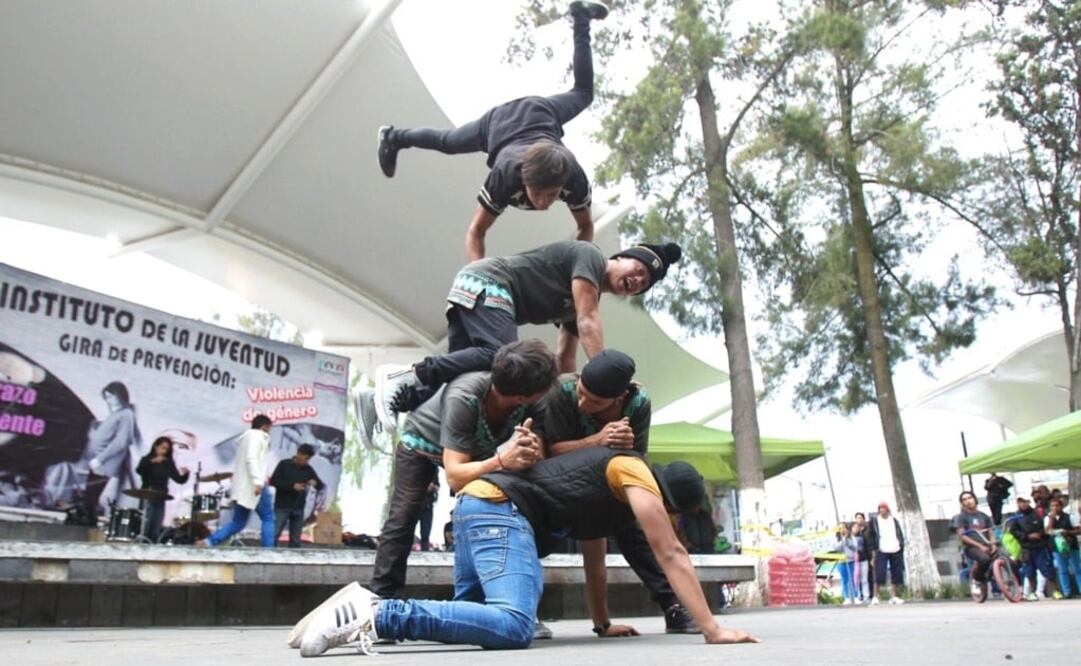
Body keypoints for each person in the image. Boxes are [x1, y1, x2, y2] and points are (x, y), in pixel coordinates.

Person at [297, 447, 758, 656]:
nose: (666, 518)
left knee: (471, 623)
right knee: (515, 624)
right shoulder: (631, 471)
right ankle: (378, 614)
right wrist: (712, 629)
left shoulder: (609, 498)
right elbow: (670, 552)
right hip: (500, 511)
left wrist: (602, 624)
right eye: (670, 511)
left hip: (477, 508)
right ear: (668, 499)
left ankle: (349, 609)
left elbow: (593, 558)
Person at [376, 1, 611, 262]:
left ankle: (581, 14)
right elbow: (476, 231)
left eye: (552, 195)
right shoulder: (505, 177)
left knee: (583, 93)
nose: (544, 203)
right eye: (538, 194)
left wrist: (572, 271)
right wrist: (477, 282)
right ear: (524, 180)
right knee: (447, 141)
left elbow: (586, 227)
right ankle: (393, 137)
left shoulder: (574, 177)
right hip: (497, 126)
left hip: (540, 113)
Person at [372, 238, 682, 433]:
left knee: (468, 376)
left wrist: (563, 398)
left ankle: (396, 398)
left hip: (475, 289)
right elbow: (588, 322)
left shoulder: (581, 297)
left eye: (645, 283)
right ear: (620, 257)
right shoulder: (591, 257)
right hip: (490, 281)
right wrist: (607, 378)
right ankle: (405, 373)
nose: (639, 280)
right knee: (504, 358)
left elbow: (564, 357)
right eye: (639, 269)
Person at [360, 340, 556, 600]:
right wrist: (501, 462)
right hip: (422, 443)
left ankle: (491, 599)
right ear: (522, 396)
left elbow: (540, 449)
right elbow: (455, 477)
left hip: (478, 449)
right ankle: (382, 599)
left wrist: (531, 449)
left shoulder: (531, 401)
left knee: (488, 510)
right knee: (404, 516)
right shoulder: (465, 396)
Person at [537, 348, 696, 632]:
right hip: (555, 481)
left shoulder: (638, 404)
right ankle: (525, 612)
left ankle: (672, 606)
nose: (583, 402)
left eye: (594, 400)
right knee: (535, 534)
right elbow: (550, 454)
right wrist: (598, 440)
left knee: (631, 522)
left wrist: (603, 624)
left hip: (608, 476)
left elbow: (635, 460)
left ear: (618, 398)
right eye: (582, 393)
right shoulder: (563, 391)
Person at [203, 415, 275, 548]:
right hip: (255, 485)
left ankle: (210, 542)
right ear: (264, 426)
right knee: (268, 518)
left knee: (239, 522)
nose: (270, 431)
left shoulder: (246, 438)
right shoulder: (258, 437)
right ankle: (268, 551)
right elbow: (251, 459)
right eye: (269, 427)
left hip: (242, 487)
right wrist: (257, 481)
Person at [83, 381, 144, 516]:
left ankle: (86, 525)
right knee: (89, 499)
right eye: (106, 397)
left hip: (103, 465)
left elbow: (122, 441)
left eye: (111, 397)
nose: (108, 401)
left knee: (89, 501)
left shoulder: (126, 414)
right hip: (98, 463)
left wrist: (100, 459)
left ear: (120, 395)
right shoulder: (117, 414)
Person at [269, 443, 326, 548]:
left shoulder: (309, 470)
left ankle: (292, 561)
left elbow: (321, 486)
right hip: (282, 506)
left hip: (298, 508)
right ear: (299, 454)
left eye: (309, 459)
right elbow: (273, 481)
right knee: (274, 534)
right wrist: (292, 486)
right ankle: (268, 557)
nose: (306, 461)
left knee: (296, 539)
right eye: (306, 458)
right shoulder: (284, 464)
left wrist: (316, 483)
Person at [135, 436, 190, 543]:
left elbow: (178, 479)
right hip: (148, 492)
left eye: (166, 449)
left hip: (161, 495)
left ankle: (153, 543)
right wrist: (152, 461)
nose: (164, 451)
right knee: (146, 521)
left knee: (156, 522)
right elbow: (139, 470)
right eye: (162, 447)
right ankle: (142, 542)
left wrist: (185, 474)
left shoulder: (168, 462)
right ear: (156, 446)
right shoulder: (147, 459)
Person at [1009, 496, 1059, 600]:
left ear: (1028, 502)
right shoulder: (1016, 517)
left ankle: (1055, 591)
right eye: (1020, 502)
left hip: (1040, 546)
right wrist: (1026, 536)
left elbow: (1046, 528)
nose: (1023, 504)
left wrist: (1039, 534)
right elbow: (1013, 531)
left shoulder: (1038, 513)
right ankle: (1032, 593)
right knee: (1029, 572)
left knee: (1048, 570)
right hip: (1026, 548)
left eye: (1024, 501)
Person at [951, 490, 998, 599]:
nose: (968, 501)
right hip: (972, 547)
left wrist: (993, 544)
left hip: (987, 544)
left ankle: (1014, 587)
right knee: (984, 559)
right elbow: (962, 536)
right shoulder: (961, 518)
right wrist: (979, 546)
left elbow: (991, 532)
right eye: (964, 500)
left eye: (970, 498)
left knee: (1006, 559)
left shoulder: (984, 516)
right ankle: (977, 580)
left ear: (975, 499)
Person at [865, 501, 905, 605]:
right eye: (880, 509)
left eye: (884, 508)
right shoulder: (874, 521)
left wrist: (901, 545)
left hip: (895, 549)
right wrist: (873, 554)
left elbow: (899, 533)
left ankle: (894, 596)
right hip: (881, 550)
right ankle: (875, 596)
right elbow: (871, 538)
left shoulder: (894, 521)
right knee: (879, 574)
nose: (882, 510)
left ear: (888, 510)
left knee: (896, 574)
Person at [1045, 497, 1081, 598]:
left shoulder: (1070, 517)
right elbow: (1047, 531)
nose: (1055, 508)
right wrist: (1051, 519)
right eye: (1052, 506)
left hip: (1071, 545)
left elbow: (1078, 530)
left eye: (1057, 505)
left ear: (1061, 506)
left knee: (1077, 569)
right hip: (1057, 547)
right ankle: (1066, 592)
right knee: (1062, 570)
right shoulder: (1048, 518)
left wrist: (1068, 532)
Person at [851, 512, 873, 601]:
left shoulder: (864, 535)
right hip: (854, 561)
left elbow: (867, 548)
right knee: (856, 579)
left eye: (860, 518)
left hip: (864, 559)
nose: (856, 529)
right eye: (854, 527)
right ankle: (858, 596)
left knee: (865, 579)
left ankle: (866, 596)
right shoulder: (850, 538)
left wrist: (870, 558)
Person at [417, 477, 439, 552]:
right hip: (414, 504)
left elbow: (437, 486)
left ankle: (425, 552)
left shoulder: (434, 469)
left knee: (425, 533)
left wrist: (434, 487)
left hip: (428, 505)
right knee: (408, 530)